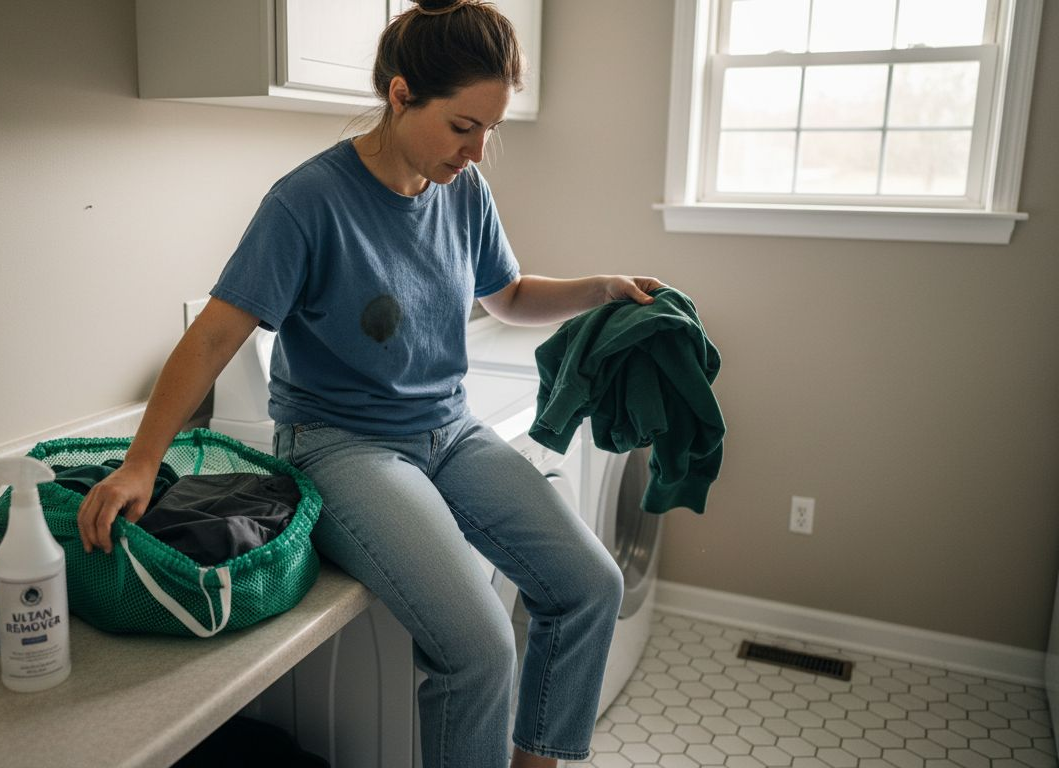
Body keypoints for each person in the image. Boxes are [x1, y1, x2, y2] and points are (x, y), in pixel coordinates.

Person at [77, 1, 664, 765]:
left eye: (491, 130)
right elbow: (215, 334)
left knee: (590, 587)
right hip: (344, 447)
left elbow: (509, 296)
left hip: (451, 433)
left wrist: (601, 288)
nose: (479, 151)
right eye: (463, 127)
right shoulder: (307, 201)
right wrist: (141, 460)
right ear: (400, 94)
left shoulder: (463, 192)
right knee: (481, 646)